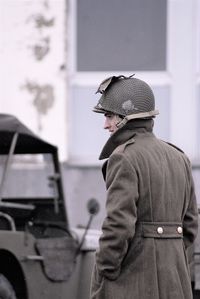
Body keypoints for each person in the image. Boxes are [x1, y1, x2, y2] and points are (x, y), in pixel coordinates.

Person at [90, 75, 198, 299]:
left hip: (133, 283)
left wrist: (105, 270)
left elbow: (118, 226)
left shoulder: (123, 158)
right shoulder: (179, 158)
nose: (105, 124)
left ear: (126, 117)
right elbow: (190, 226)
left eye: (109, 116)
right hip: (175, 284)